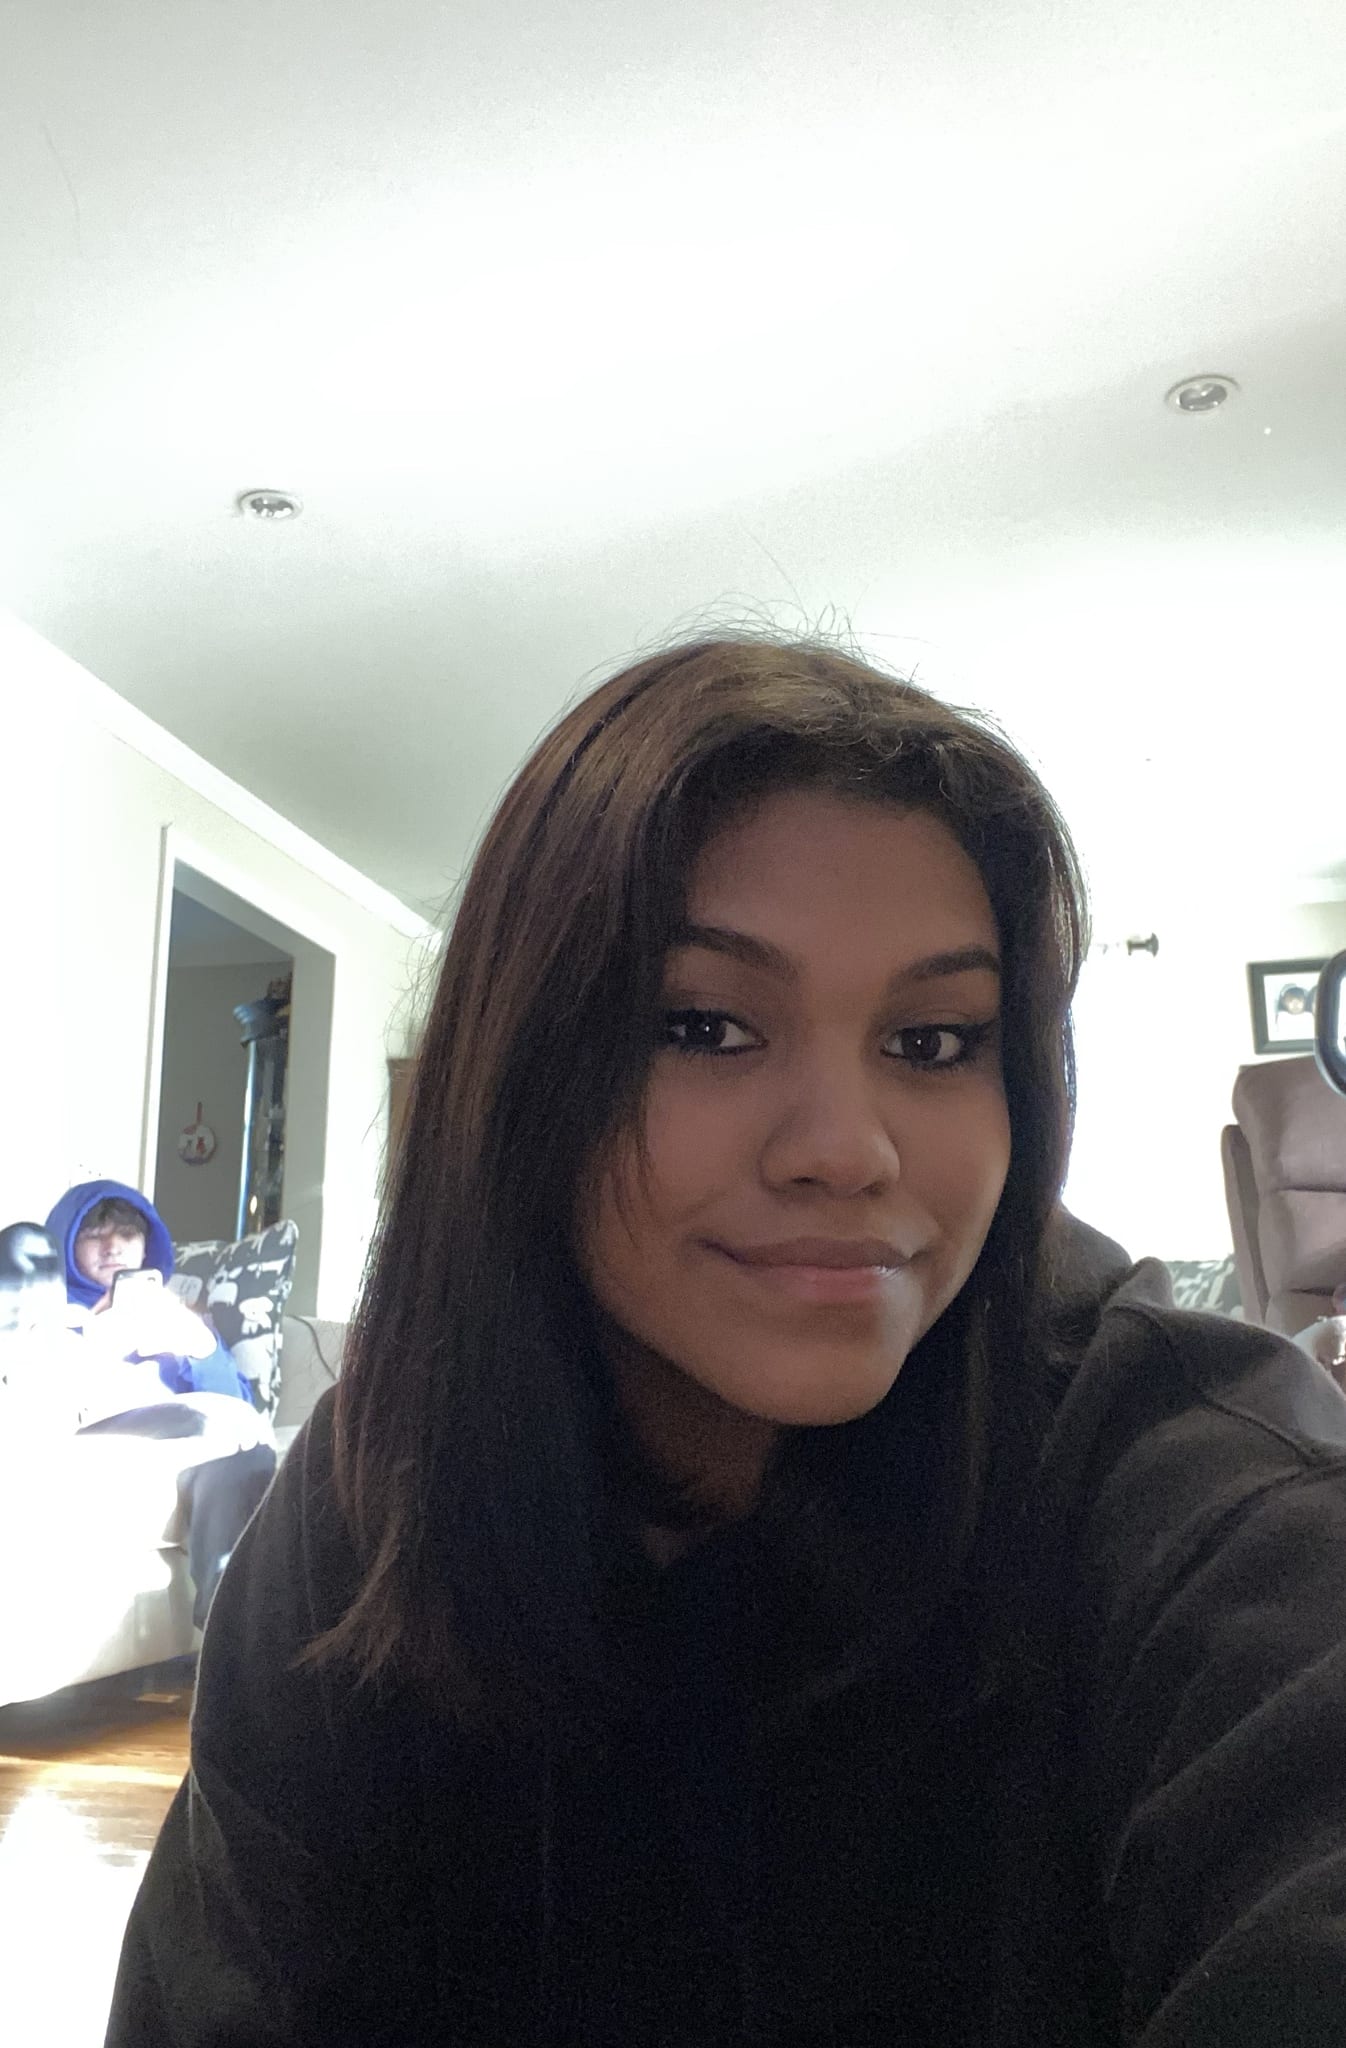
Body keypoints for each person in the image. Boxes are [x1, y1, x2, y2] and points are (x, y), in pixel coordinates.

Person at [107, 638, 1346, 2046]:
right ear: (519, 1073)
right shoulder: (373, 1495)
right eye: (703, 1025)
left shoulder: (1197, 1501)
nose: (847, 1149)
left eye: (933, 1040)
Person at [25, 1180, 278, 1624]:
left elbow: (241, 1407)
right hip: (94, 1430)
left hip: (188, 1436)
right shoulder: (39, 1310)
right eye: (94, 1234)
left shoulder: (169, 1312)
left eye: (127, 1233)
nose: (113, 1246)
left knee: (238, 1436)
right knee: (218, 1427)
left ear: (146, 1245)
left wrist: (199, 1347)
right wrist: (95, 1344)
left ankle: (236, 1626)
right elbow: (32, 1402)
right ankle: (237, 1632)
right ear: (66, 1241)